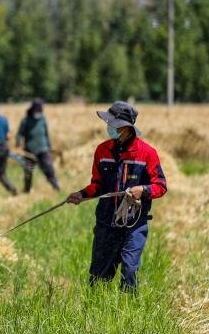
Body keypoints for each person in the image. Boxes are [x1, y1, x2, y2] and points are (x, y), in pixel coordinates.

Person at [67, 101, 167, 291]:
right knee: (98, 276)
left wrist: (143, 190)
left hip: (134, 223)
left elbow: (160, 186)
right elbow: (97, 185)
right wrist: (80, 194)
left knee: (129, 270)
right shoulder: (102, 150)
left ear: (125, 128)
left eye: (113, 124)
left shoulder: (147, 153)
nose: (109, 127)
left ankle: (128, 310)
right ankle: (96, 312)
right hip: (106, 221)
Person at [16, 98, 60, 193]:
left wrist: (49, 145)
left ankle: (56, 188)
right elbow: (20, 133)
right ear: (33, 108)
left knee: (49, 169)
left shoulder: (42, 119)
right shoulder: (26, 120)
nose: (40, 110)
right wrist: (18, 144)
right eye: (38, 108)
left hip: (43, 149)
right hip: (29, 151)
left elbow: (46, 133)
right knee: (28, 171)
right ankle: (27, 190)